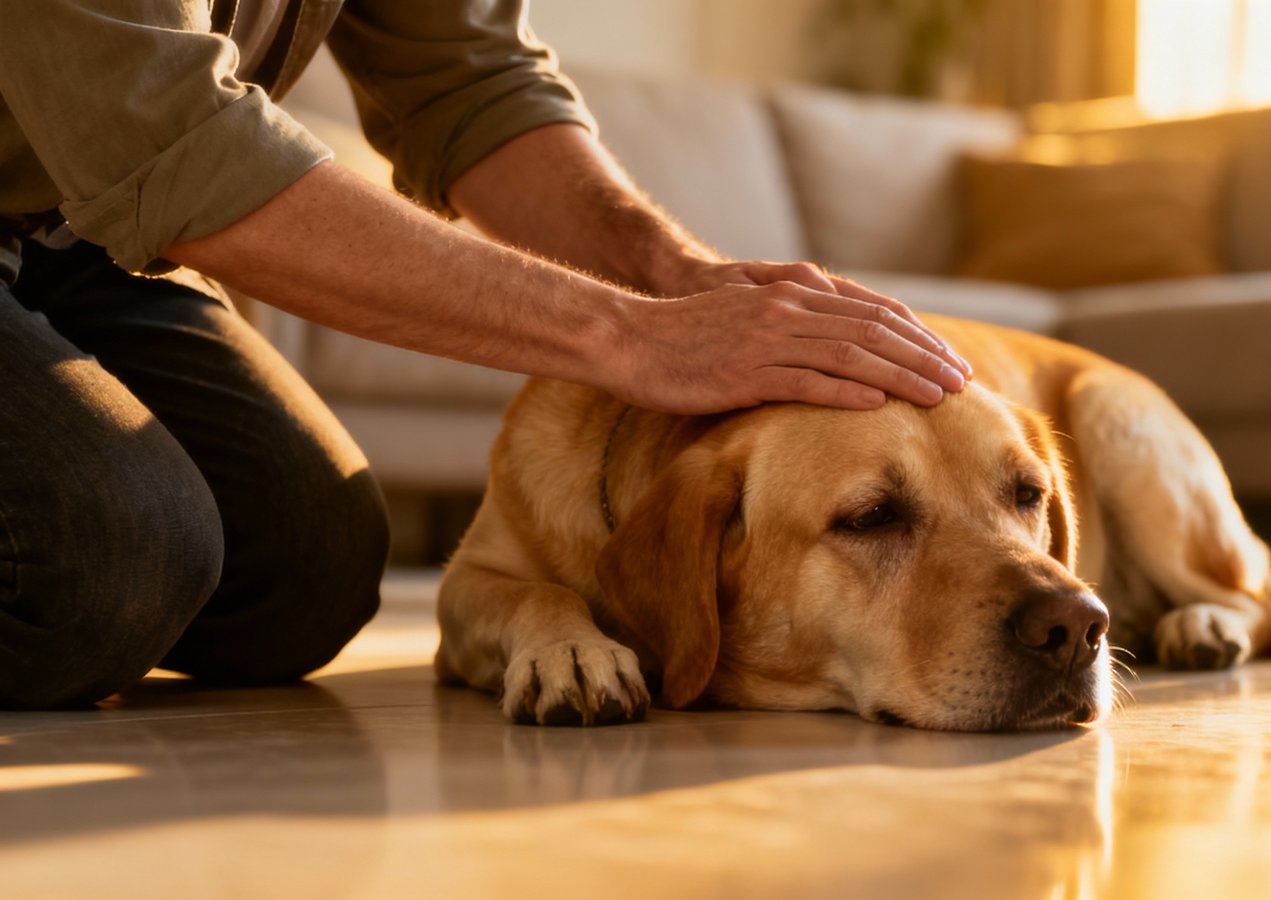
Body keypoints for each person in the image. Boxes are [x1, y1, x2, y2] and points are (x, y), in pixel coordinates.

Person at [0, 1, 971, 709]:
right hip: (109, 179)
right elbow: (163, 133)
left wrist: (678, 281)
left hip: (66, 236)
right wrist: (628, 334)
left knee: (304, 577)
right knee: (104, 570)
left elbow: (469, 78)